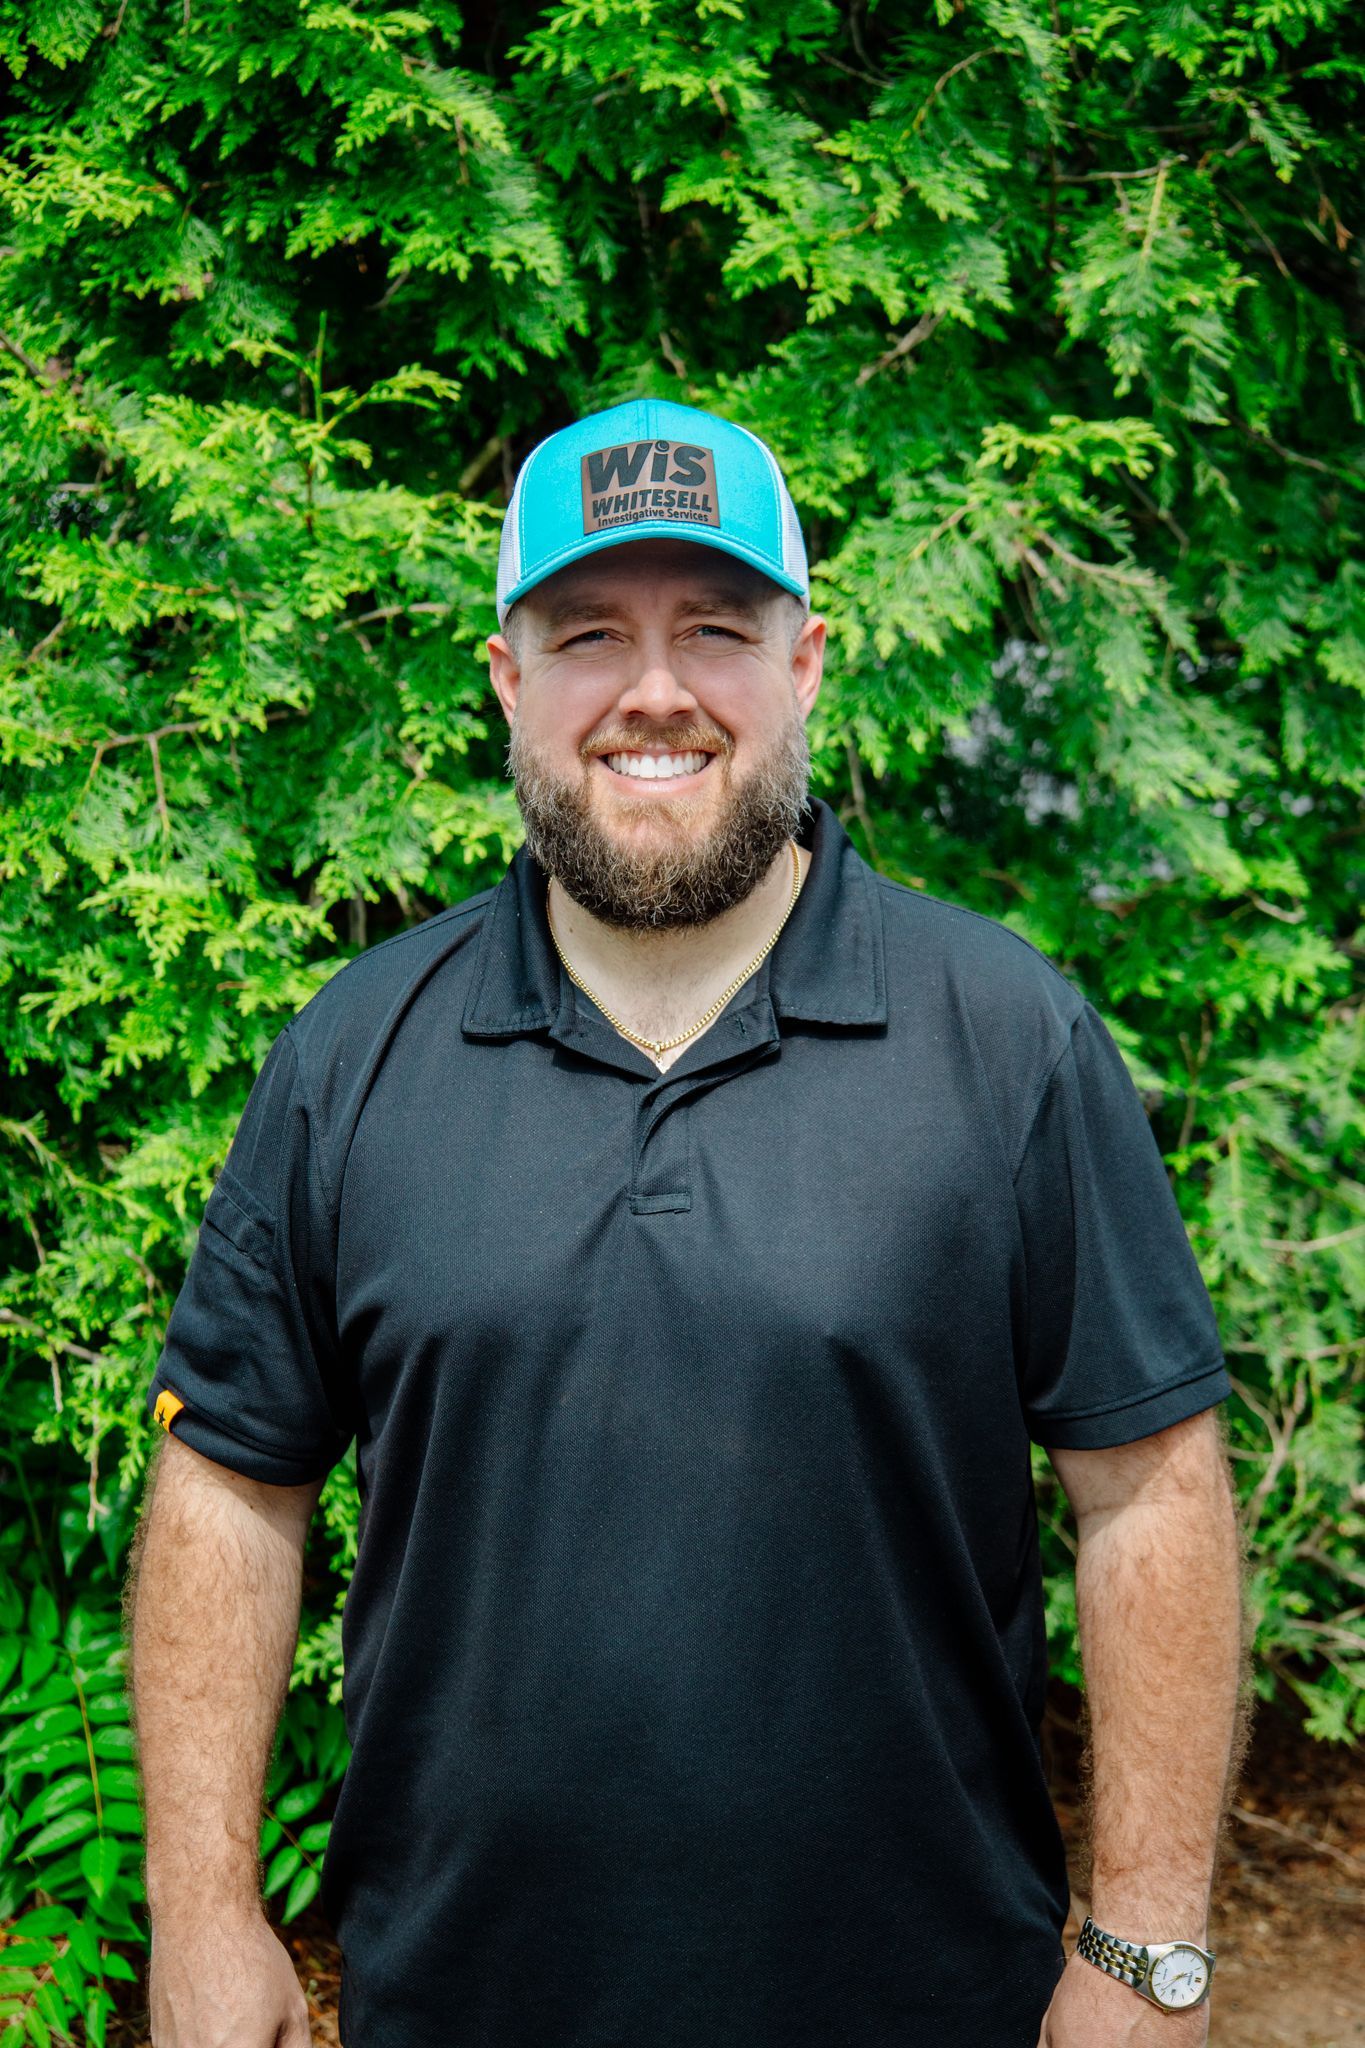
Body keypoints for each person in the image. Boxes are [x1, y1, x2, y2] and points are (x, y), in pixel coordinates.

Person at [128, 398, 1247, 2048]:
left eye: (712, 630)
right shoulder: (354, 1053)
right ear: (510, 682)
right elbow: (229, 1481)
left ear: (802, 666)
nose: (654, 689)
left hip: (922, 2007)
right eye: (590, 633)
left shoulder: (1003, 1039)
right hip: (458, 2006)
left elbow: (1148, 1490)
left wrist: (1148, 1950)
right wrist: (204, 1914)